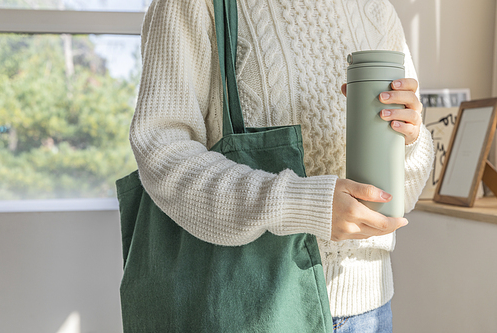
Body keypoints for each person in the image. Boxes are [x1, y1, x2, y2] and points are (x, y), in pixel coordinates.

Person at [129, 0, 434, 331]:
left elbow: (403, 192)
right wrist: (300, 203)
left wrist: (410, 139)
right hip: (254, 307)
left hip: (370, 309)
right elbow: (161, 152)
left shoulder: (376, 9)